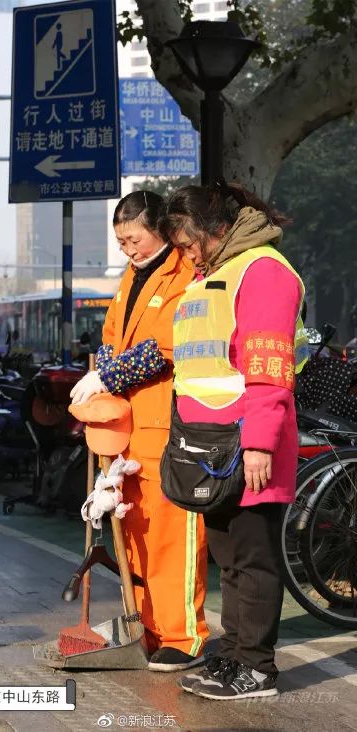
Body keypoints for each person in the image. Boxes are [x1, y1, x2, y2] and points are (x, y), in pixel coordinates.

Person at [159, 181, 308, 698]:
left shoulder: (263, 272)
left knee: (253, 557)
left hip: (248, 445)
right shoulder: (218, 273)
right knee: (230, 560)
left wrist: (261, 446)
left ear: (216, 228)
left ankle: (258, 668)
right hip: (212, 446)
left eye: (187, 241)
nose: (187, 254)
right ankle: (233, 654)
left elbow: (269, 370)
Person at [69, 190, 209, 671]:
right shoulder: (130, 279)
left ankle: (184, 637)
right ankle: (147, 628)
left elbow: (165, 349)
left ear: (161, 230)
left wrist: (107, 376)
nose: (128, 250)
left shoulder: (184, 275)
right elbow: (112, 339)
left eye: (134, 239)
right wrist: (103, 380)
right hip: (129, 429)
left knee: (175, 534)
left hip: (171, 426)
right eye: (122, 242)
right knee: (136, 534)